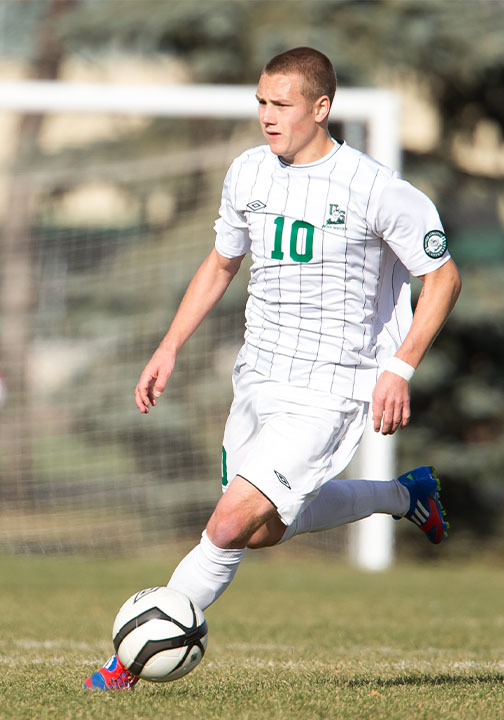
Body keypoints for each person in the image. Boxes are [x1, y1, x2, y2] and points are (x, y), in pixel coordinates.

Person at [85, 47, 462, 690]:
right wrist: (169, 345)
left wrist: (399, 368)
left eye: (280, 104)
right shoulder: (248, 174)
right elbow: (220, 264)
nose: (266, 115)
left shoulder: (376, 189)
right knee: (258, 534)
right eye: (260, 101)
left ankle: (130, 661)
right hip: (257, 375)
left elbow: (444, 277)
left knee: (228, 521)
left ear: (322, 107)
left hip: (331, 383)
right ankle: (405, 495)